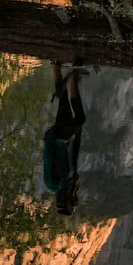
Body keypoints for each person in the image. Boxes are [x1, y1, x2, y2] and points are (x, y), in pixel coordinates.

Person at [43, 64, 87, 216]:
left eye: (72, 202)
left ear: (65, 201)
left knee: (80, 118)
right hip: (66, 139)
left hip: (57, 138)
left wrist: (51, 137)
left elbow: (48, 158)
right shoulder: (70, 182)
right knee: (64, 102)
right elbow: (73, 154)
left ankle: (72, 74)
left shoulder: (53, 184)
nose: (75, 199)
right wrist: (77, 134)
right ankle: (60, 69)